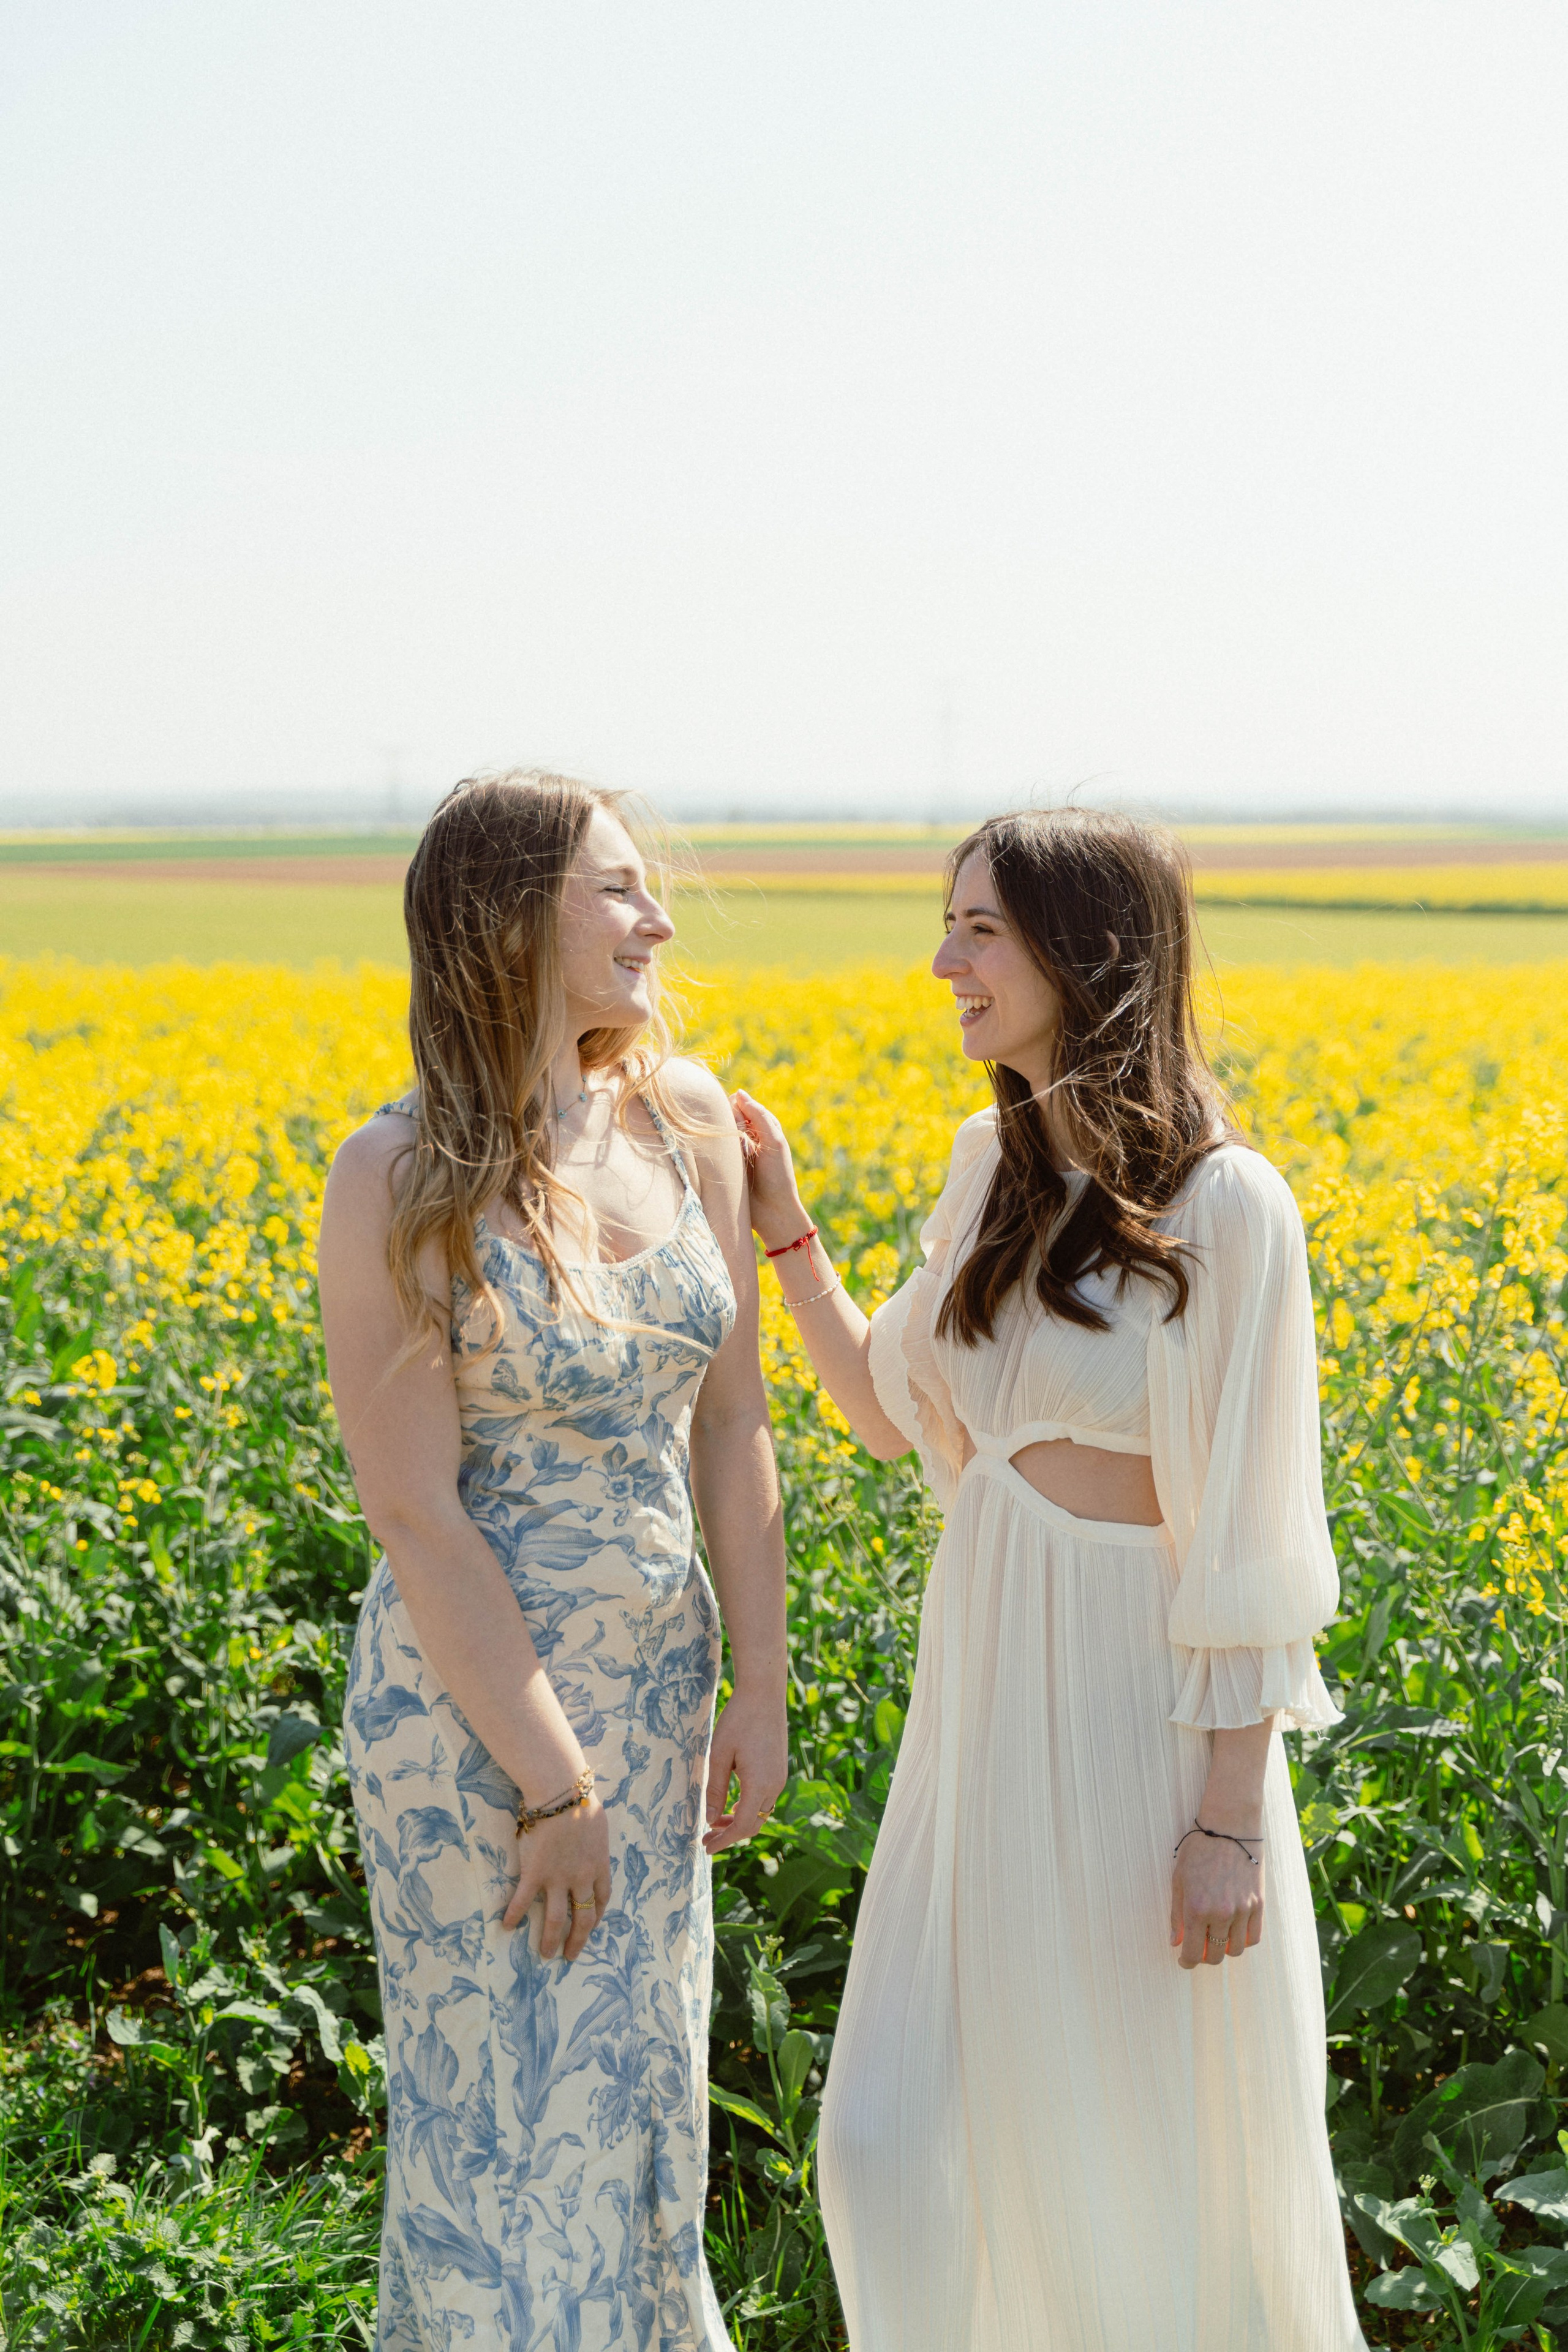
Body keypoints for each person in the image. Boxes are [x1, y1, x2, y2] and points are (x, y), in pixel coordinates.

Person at [731, 807, 1365, 2352]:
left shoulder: (1231, 1205)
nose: (940, 960)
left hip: (1136, 1719)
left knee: (1136, 2158)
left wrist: (1223, 1821)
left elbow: (1253, 1545)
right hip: (983, 1695)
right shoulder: (990, 1165)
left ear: (1083, 954)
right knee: (888, 2137)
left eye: (978, 929)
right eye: (948, 924)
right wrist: (787, 1231)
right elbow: (889, 1414)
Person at [319, 771, 787, 2352]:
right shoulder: (389, 1176)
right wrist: (552, 1785)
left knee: (644, 2117)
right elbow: (417, 1515)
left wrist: (765, 1684)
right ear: (514, 916)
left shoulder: (695, 1123)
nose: (659, 920)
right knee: (500, 2141)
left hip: (656, 1720)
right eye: (622, 888)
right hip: (479, 1734)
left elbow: (735, 1431)